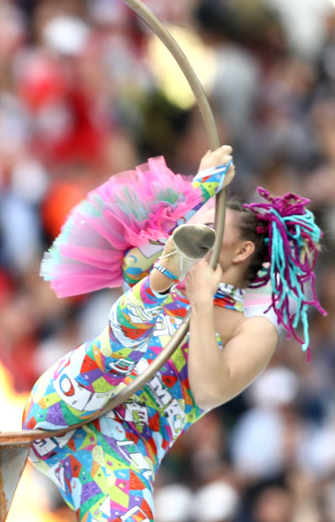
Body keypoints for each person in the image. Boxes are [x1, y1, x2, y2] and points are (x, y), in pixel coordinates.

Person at [22, 147, 324, 521]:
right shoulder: (174, 271)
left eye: (212, 228)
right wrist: (201, 189)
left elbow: (210, 389)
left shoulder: (254, 328)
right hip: (67, 402)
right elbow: (131, 259)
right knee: (124, 337)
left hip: (122, 450)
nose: (201, 226)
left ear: (244, 249)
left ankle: (163, 277)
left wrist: (201, 303)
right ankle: (163, 276)